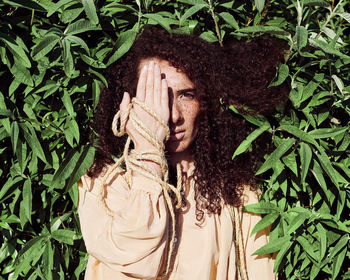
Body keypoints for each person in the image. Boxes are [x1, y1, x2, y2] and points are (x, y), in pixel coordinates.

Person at [77, 26, 288, 280]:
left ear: (205, 102)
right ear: (128, 102)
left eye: (186, 95)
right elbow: (137, 262)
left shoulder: (237, 194)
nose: (173, 115)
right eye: (155, 96)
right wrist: (147, 151)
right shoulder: (102, 181)